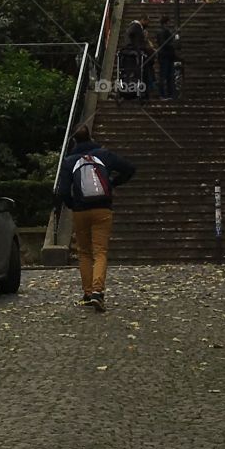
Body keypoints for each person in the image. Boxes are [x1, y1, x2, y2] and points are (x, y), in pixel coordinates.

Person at [54, 122, 135, 312]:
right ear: (91, 137)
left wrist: (72, 204)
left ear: (74, 140)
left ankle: (88, 293)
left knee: (84, 252)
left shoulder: (70, 160)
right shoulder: (104, 155)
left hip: (81, 211)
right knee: (100, 252)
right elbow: (130, 168)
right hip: (102, 209)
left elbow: (63, 191)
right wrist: (113, 183)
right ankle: (98, 292)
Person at [155, 14, 178, 99]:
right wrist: (172, 45)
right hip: (166, 55)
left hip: (165, 55)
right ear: (166, 22)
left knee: (166, 75)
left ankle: (167, 94)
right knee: (166, 75)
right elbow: (163, 43)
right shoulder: (164, 31)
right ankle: (165, 94)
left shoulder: (161, 31)